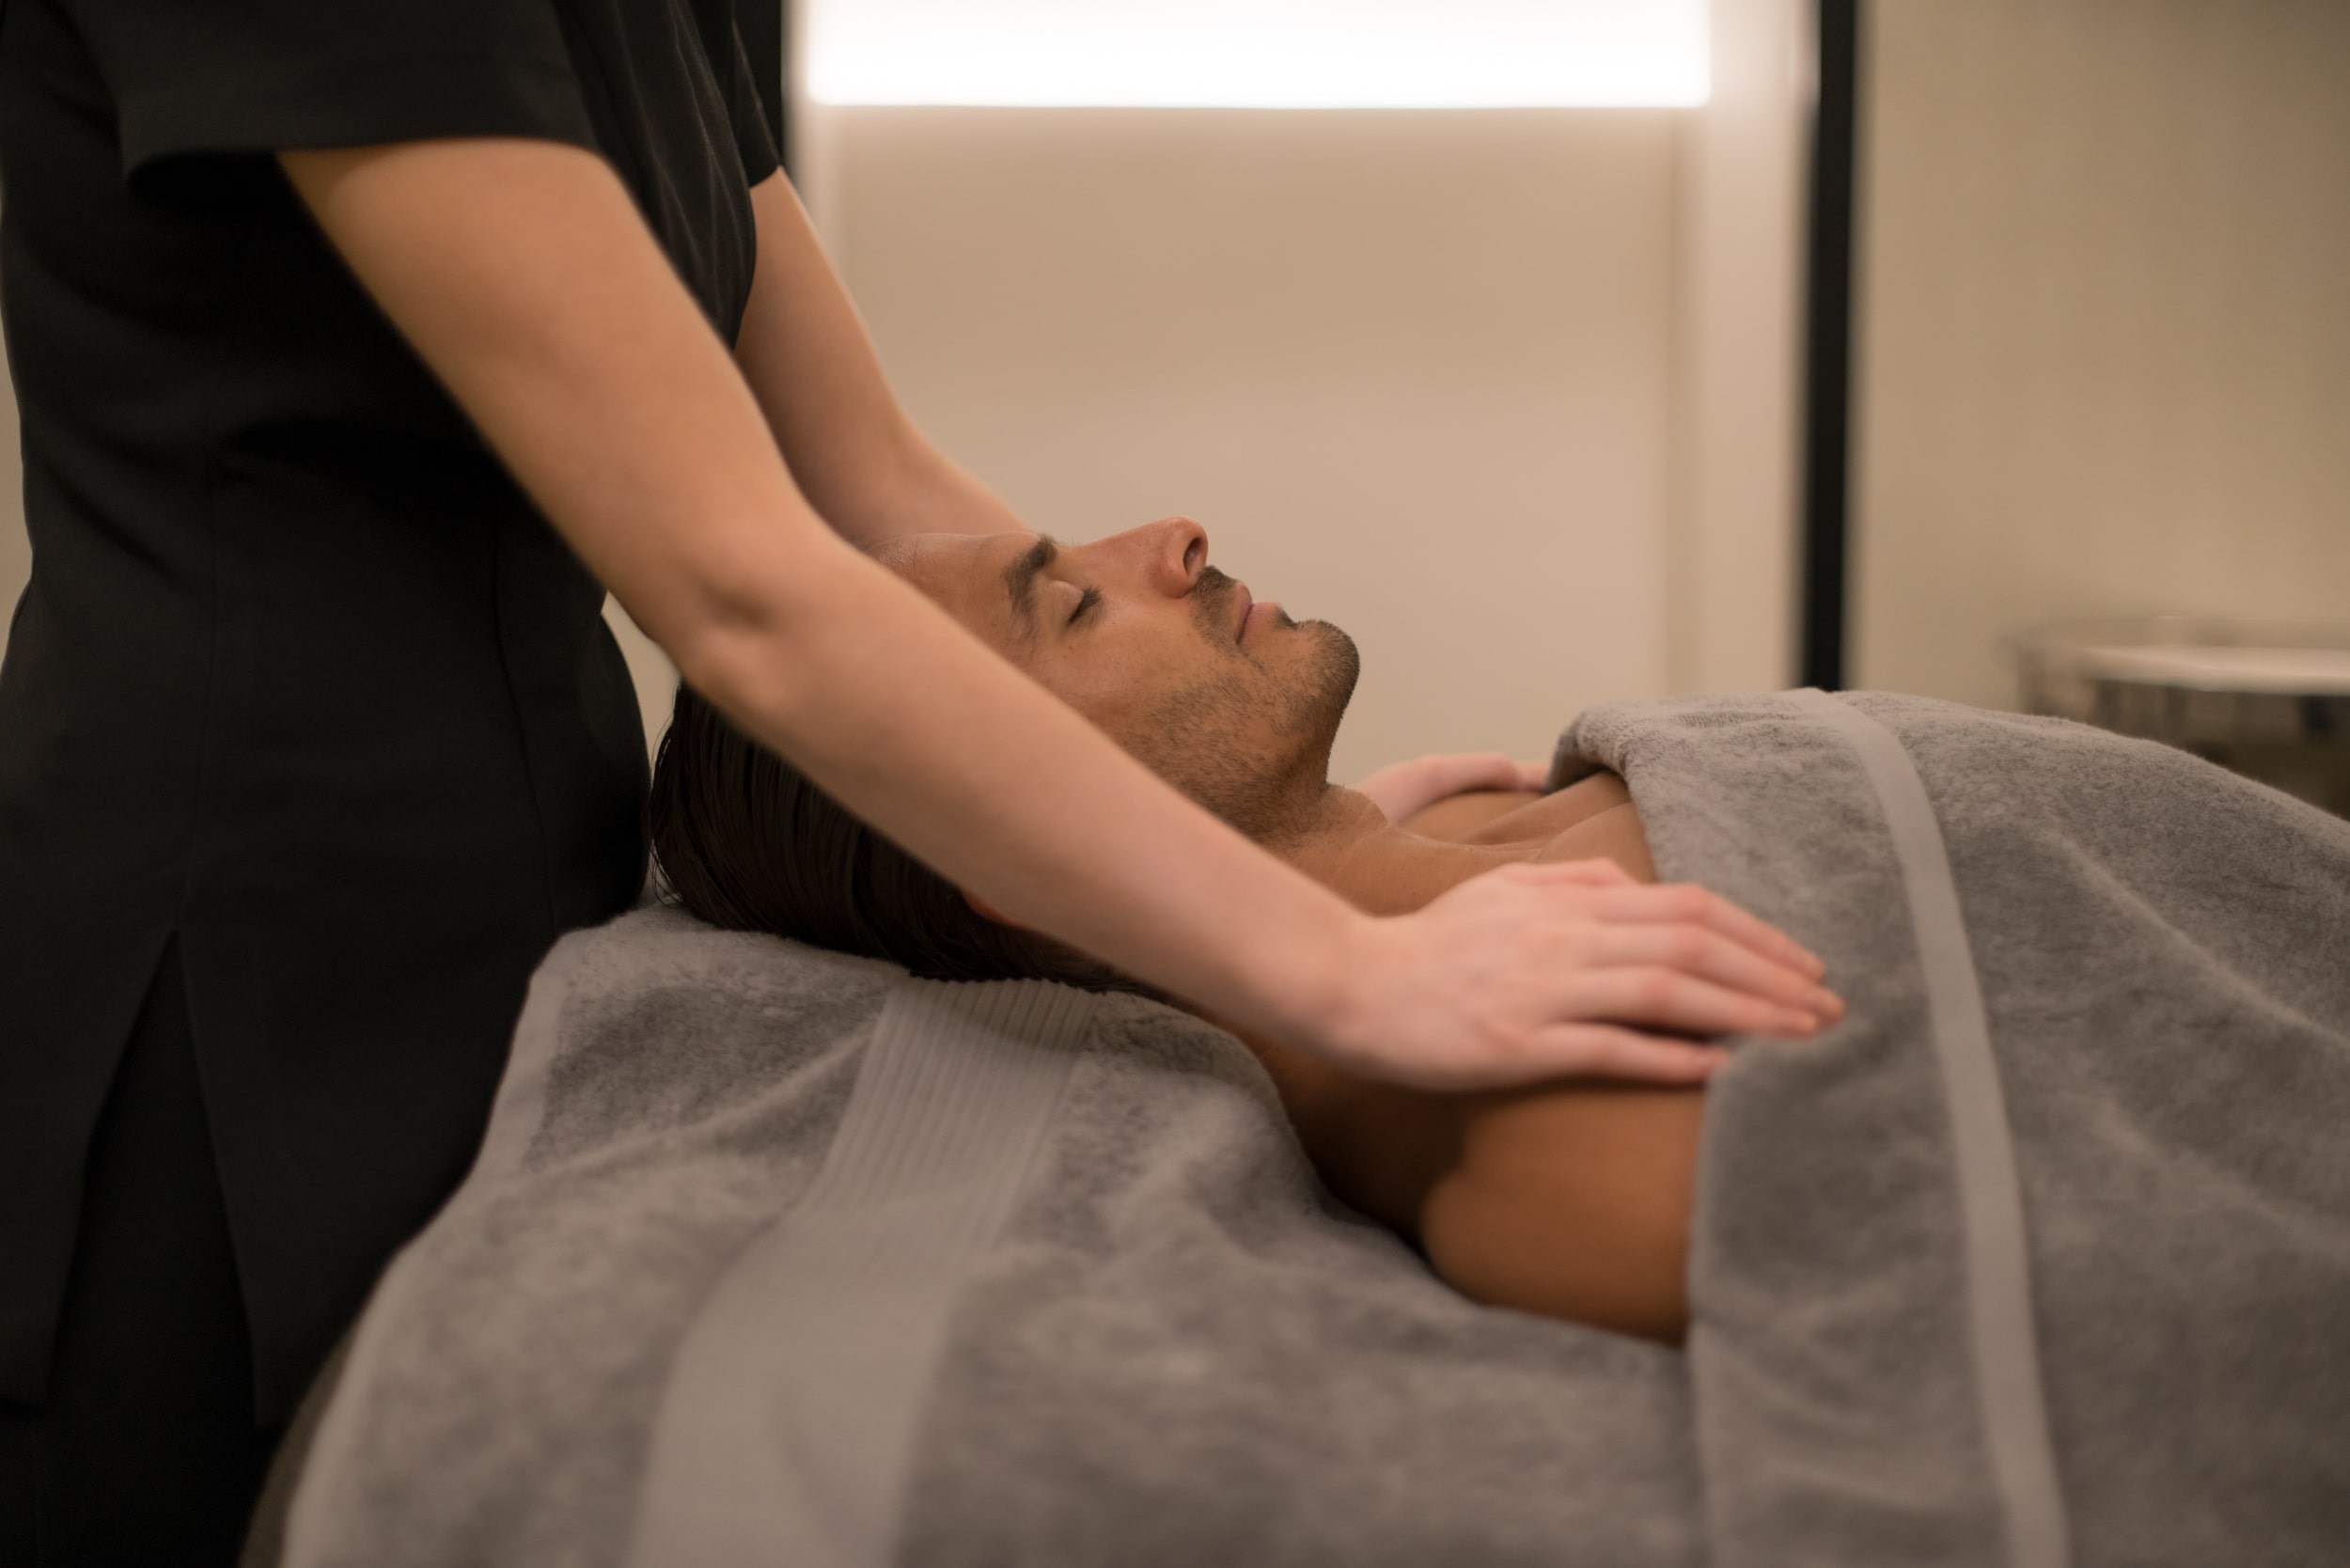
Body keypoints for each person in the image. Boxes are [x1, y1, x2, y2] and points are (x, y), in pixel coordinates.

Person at [0, 5, 1834, 1558]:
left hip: (538, 871)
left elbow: (880, 505)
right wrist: (1341, 966)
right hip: (235, 930)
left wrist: (1290, 846)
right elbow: (736, 582)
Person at [650, 517, 1851, 1342]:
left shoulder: (1479, 816)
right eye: (1074, 606)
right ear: (1021, 853)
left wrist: (1344, 844)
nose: (1174, 537)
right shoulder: (1560, 1124)